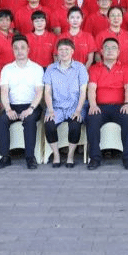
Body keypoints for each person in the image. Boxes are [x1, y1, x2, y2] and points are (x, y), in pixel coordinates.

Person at [0, 35, 44, 169]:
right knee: (2, 120)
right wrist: (8, 109)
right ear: (12, 50)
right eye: (16, 48)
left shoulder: (37, 68)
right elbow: (4, 91)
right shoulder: (7, 69)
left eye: (22, 47)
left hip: (32, 105)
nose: (19, 51)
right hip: (12, 106)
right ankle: (5, 157)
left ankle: (30, 157)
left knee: (29, 120)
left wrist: (30, 109)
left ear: (28, 49)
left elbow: (39, 92)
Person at [86, 38, 128, 170]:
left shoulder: (126, 68)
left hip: (120, 106)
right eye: (107, 48)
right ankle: (95, 158)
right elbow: (91, 89)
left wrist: (127, 103)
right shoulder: (94, 69)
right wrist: (93, 105)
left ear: (118, 52)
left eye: (113, 48)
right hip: (100, 107)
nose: (110, 50)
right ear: (101, 51)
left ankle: (127, 158)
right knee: (92, 118)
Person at [43, 38, 88, 168]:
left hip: (75, 106)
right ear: (57, 52)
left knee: (75, 125)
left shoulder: (80, 68)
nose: (63, 52)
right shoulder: (51, 68)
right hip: (56, 106)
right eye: (61, 49)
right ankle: (56, 155)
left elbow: (83, 92)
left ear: (72, 51)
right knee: (49, 124)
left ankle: (70, 155)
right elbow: (47, 92)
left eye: (67, 49)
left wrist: (78, 110)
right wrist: (50, 110)